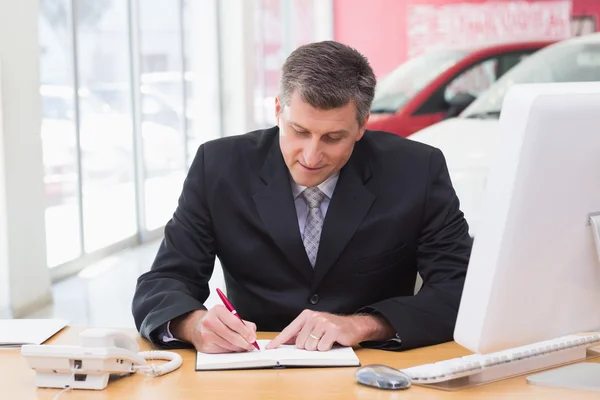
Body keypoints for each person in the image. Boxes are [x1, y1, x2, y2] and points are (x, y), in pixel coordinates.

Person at [132, 40, 472, 354]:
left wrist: (365, 325)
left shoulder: (416, 170)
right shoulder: (218, 167)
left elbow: (462, 288)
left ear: (363, 125)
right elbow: (164, 281)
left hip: (372, 367)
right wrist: (193, 324)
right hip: (252, 368)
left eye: (333, 137)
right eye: (299, 131)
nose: (310, 156)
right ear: (278, 110)